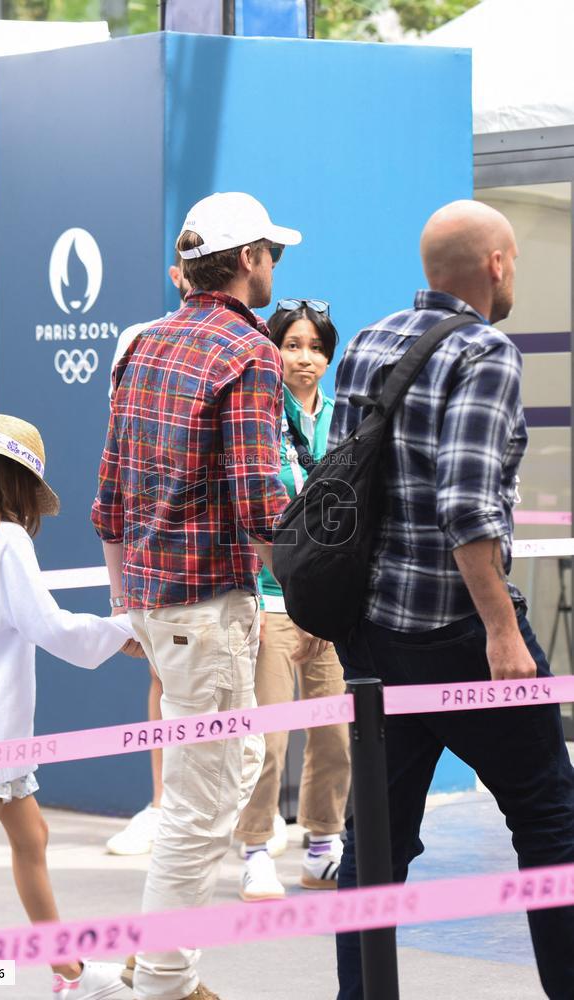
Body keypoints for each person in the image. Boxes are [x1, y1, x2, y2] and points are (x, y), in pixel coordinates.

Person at [329, 200, 574, 1000]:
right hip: (458, 632)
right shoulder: (485, 351)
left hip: (372, 639)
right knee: (550, 817)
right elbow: (468, 504)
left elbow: (340, 490)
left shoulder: (368, 342)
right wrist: (503, 632)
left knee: (377, 835)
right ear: (497, 264)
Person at [92, 192, 317, 1000]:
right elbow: (260, 498)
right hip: (209, 607)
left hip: (156, 604)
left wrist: (126, 605)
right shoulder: (246, 352)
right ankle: (162, 978)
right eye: (272, 255)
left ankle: (161, 958)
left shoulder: (142, 344)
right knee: (202, 800)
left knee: (221, 772)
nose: (275, 269)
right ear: (248, 258)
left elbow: (109, 496)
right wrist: (308, 589)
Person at [0, 413, 140, 1000]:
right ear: (17, 482)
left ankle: (70, 974)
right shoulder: (6, 540)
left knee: (31, 837)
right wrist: (122, 629)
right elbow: (49, 627)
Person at [235, 298, 351, 901]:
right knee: (268, 739)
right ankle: (255, 849)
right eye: (292, 344)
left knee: (334, 735)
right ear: (273, 348)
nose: (305, 358)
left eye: (315, 346)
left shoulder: (344, 417)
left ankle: (323, 846)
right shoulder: (258, 417)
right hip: (271, 600)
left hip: (331, 605)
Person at [104, 254, 192, 858]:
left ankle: (253, 833)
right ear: (175, 272)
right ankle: (164, 807)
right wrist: (121, 594)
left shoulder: (250, 342)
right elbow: (121, 446)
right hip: (155, 548)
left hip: (229, 560)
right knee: (163, 674)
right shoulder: (138, 341)